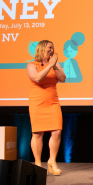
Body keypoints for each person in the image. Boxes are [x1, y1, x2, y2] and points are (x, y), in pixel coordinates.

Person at [26, 40, 66, 175]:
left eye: (52, 48)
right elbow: (37, 78)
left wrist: (54, 66)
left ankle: (52, 161)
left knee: (57, 132)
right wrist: (50, 65)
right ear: (42, 49)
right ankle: (37, 163)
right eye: (49, 48)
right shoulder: (32, 65)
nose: (51, 50)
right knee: (37, 134)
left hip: (53, 102)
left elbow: (63, 78)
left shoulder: (55, 65)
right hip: (37, 102)